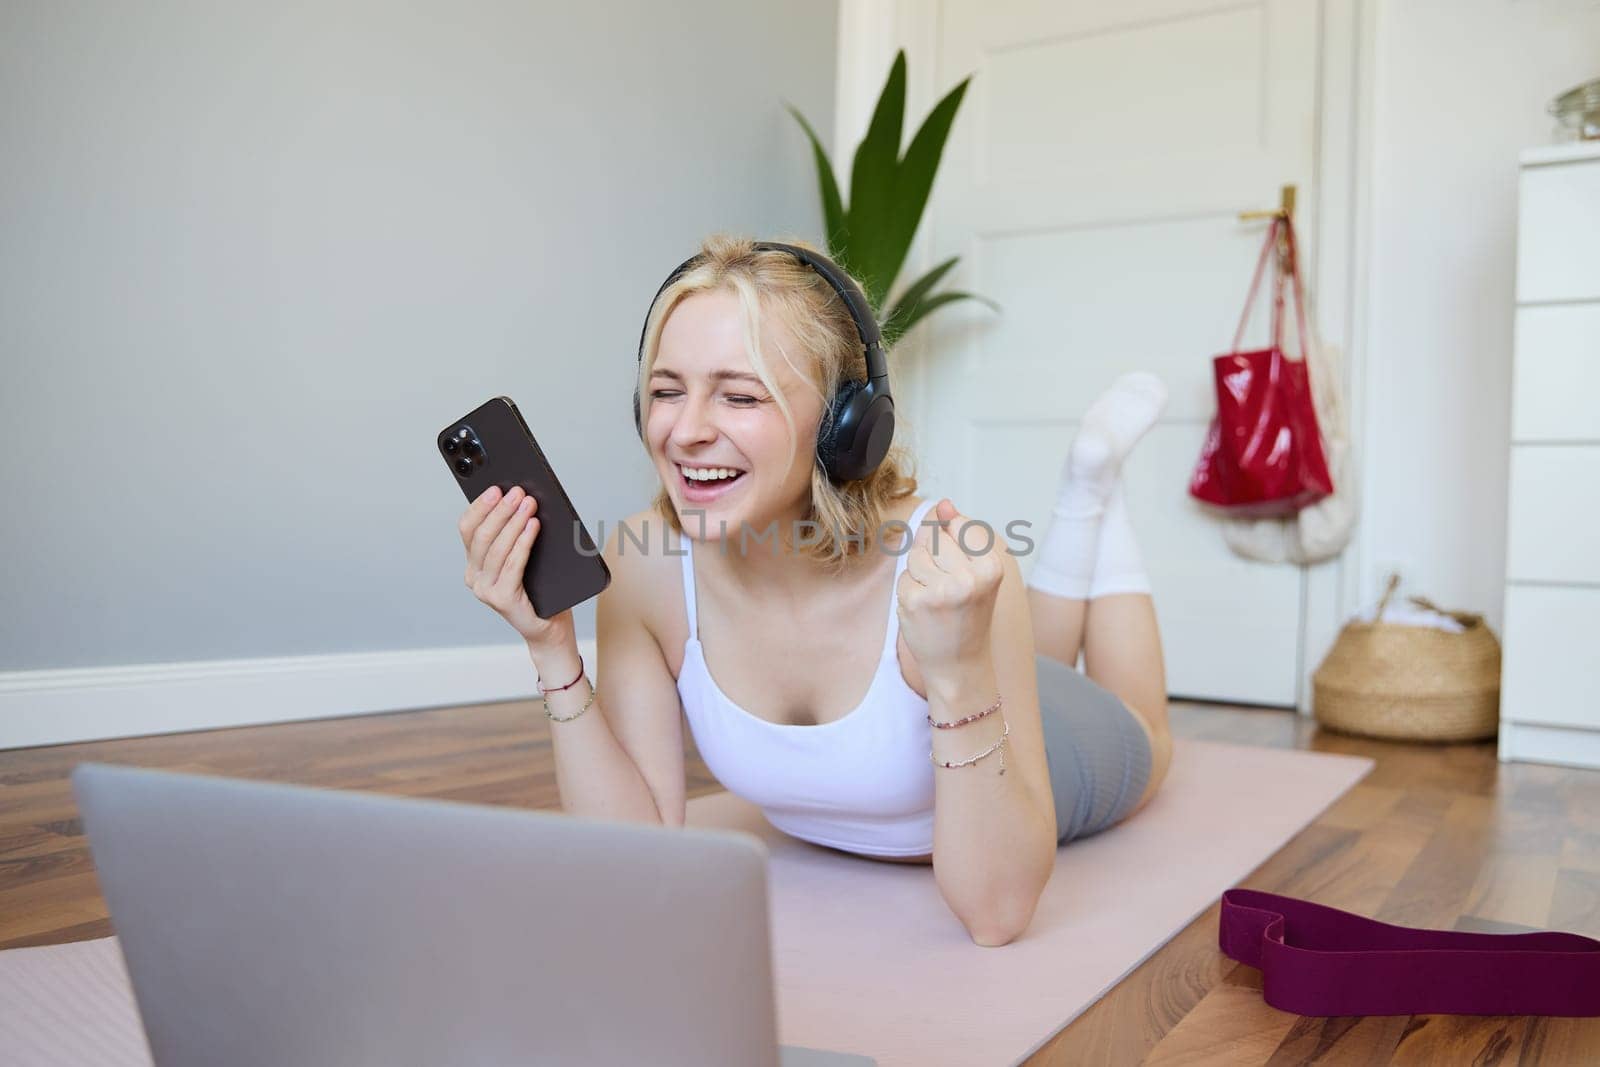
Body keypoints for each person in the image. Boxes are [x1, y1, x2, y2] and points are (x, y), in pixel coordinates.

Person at [458, 236, 1173, 947]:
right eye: (667, 391)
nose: (687, 430)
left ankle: (1091, 494)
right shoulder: (646, 567)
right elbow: (633, 857)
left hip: (1037, 758)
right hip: (973, 693)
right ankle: (1085, 496)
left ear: (843, 422)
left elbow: (996, 914)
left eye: (739, 395)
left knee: (1147, 728)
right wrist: (552, 649)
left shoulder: (937, 556)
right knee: (1031, 651)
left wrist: (956, 672)